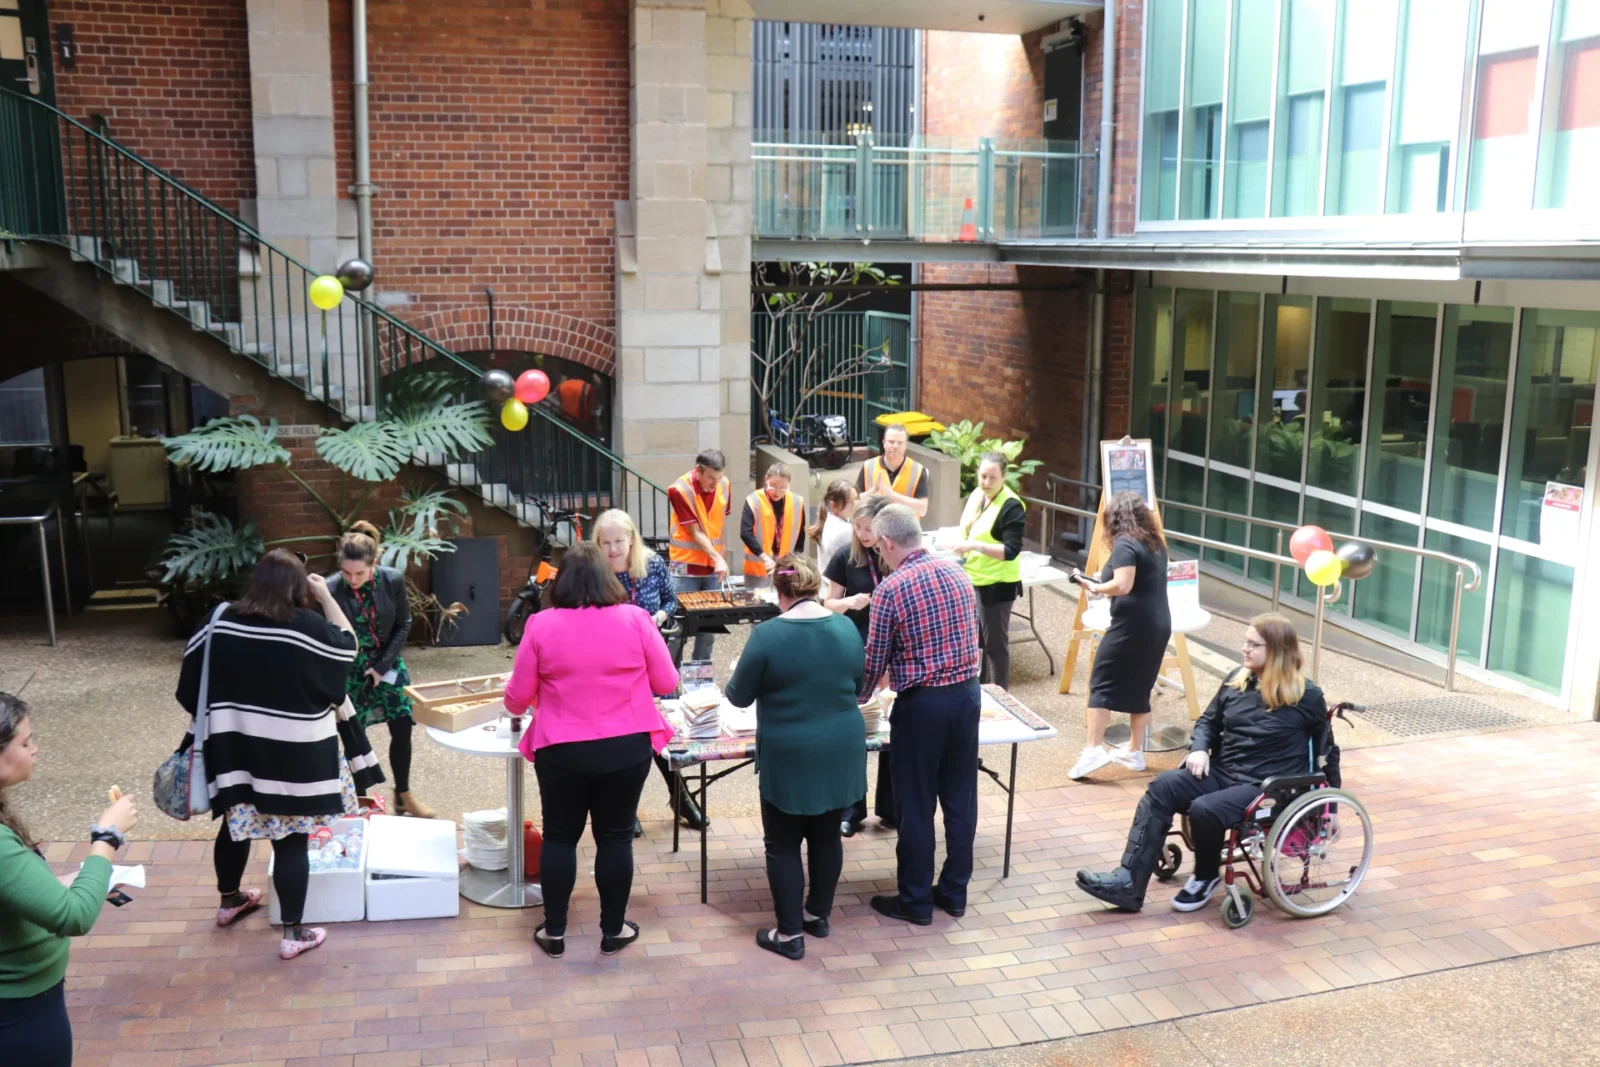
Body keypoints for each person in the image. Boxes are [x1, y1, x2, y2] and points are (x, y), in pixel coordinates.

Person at [178, 548, 385, 961]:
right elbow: (347, 649)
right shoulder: (307, 627)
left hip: (234, 748)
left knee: (235, 823)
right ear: (297, 586)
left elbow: (189, 686)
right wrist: (326, 596)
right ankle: (294, 933)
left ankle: (229, 901)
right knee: (291, 838)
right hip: (296, 756)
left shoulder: (219, 619)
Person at [1076, 614, 1338, 913]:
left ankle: (1205, 876)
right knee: (1163, 786)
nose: (1245, 648)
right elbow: (1208, 722)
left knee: (1205, 809)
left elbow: (1327, 753)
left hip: (1266, 787)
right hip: (1225, 770)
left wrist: (1330, 810)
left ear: (1278, 650)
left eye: (1254, 644)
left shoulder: (1307, 696)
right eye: (1246, 642)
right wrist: (1199, 748)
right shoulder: (1237, 680)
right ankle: (1128, 882)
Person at [504, 541, 679, 960]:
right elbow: (667, 682)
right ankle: (613, 930)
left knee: (559, 837)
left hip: (561, 749)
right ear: (607, 578)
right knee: (616, 839)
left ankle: (555, 932)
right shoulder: (636, 618)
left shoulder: (541, 624)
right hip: (627, 747)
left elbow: (517, 699)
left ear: (561, 581)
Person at [725, 554, 866, 961]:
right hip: (841, 746)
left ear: (779, 591)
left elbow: (738, 697)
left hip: (790, 751)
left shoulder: (768, 635)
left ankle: (789, 934)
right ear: (815, 586)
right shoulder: (844, 627)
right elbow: (858, 684)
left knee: (783, 843)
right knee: (826, 835)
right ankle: (817, 916)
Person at [0, 692, 139, 1065]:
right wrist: (107, 838)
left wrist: (89, 878)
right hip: (18, 1017)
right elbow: (73, 916)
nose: (35, 749)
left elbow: (17, 891)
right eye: (25, 743)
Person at [859, 504, 981, 926]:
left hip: (922, 704)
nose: (880, 556)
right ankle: (955, 892)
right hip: (966, 697)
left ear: (888, 542)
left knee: (915, 804)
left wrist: (857, 698)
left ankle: (914, 900)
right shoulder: (958, 573)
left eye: (879, 549)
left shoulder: (891, 589)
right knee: (960, 799)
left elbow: (874, 660)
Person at [593, 509, 706, 834]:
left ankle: (679, 797)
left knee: (657, 731)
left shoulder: (652, 563)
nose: (613, 549)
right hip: (612, 665)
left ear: (631, 539)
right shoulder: (594, 571)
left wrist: (658, 616)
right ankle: (627, 808)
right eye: (605, 543)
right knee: (625, 737)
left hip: (650, 658)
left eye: (618, 541)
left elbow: (672, 601)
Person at [327, 522, 431, 818]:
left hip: (387, 662)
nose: (352, 579)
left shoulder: (392, 579)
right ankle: (359, 801)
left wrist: (382, 666)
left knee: (402, 725)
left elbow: (403, 623)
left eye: (359, 573)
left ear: (374, 563)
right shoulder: (331, 587)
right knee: (353, 735)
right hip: (350, 670)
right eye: (346, 573)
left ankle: (403, 795)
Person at [1068, 490, 1173, 780]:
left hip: (1132, 625)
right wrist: (1100, 583)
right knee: (1141, 686)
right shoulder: (1155, 544)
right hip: (1159, 623)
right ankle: (1134, 751)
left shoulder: (1126, 542)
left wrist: (1094, 587)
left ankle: (1093, 751)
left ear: (1114, 518)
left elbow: (1123, 585)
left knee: (1101, 680)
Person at [822, 493, 896, 837]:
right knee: (856, 727)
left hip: (891, 649)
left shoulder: (892, 553)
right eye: (858, 527)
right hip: (854, 648)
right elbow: (827, 603)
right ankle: (851, 810)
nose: (863, 535)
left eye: (869, 529)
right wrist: (849, 602)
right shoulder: (845, 556)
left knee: (891, 724)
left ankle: (891, 807)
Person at [950, 452, 1026, 689]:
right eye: (983, 476)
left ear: (1004, 477)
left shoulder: (1011, 505)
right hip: (973, 579)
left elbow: (1011, 550)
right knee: (975, 643)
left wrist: (975, 546)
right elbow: (967, 529)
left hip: (997, 585)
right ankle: (977, 692)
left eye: (993, 477)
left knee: (995, 645)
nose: (986, 482)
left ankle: (1000, 696)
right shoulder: (977, 495)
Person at [668, 448, 732, 663]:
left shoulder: (725, 485)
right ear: (698, 471)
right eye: (711, 478)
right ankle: (669, 679)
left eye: (719, 477)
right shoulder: (679, 490)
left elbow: (721, 522)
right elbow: (694, 532)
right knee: (677, 630)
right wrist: (718, 558)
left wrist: (722, 552)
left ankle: (701, 677)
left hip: (713, 569)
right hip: (685, 569)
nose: (715, 483)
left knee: (709, 630)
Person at [740, 462, 806, 586]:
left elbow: (800, 537)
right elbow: (745, 533)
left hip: (785, 569)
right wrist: (765, 558)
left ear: (789, 483)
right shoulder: (753, 500)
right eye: (773, 486)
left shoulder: (797, 502)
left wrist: (795, 564)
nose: (777, 492)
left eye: (783, 487)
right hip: (758, 569)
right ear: (766, 479)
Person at [857, 423, 929, 518]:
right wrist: (872, 491)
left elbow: (922, 510)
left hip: (904, 526)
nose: (895, 446)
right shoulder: (868, 466)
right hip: (874, 525)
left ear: (906, 445)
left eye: (900, 443)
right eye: (891, 442)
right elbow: (854, 502)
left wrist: (891, 495)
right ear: (884, 443)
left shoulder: (918, 470)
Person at [809, 479, 857, 566]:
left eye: (856, 499)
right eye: (849, 501)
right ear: (833, 505)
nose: (855, 504)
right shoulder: (845, 529)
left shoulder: (826, 521)